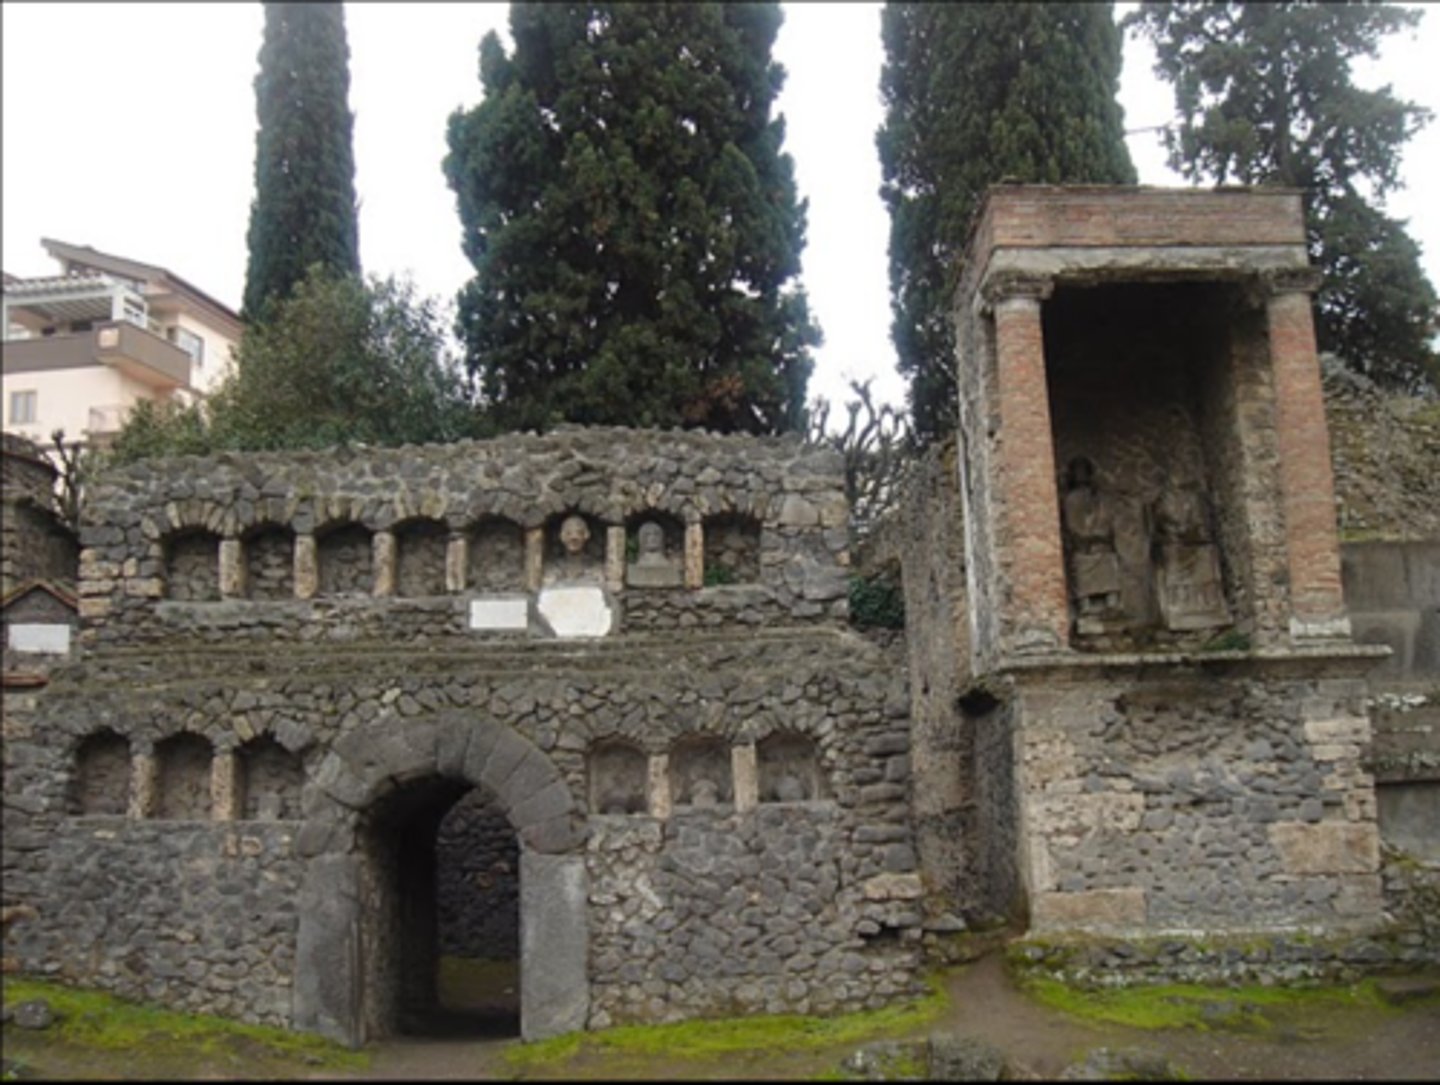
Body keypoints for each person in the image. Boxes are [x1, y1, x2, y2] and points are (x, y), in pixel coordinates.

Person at [1060, 456, 1122, 624]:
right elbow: (1072, 524)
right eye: (1077, 472)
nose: (1081, 475)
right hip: (1082, 545)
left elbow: (1106, 517)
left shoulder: (1098, 497)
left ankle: (1112, 604)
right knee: (1081, 563)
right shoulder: (1070, 498)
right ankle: (1084, 605)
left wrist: (1101, 533)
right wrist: (1085, 536)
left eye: (1084, 471)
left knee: (1109, 561)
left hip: (1101, 542)